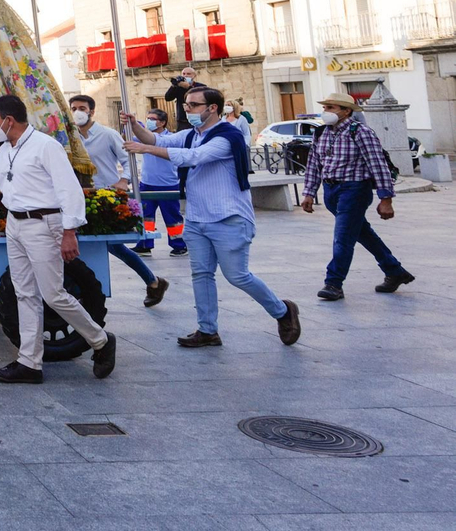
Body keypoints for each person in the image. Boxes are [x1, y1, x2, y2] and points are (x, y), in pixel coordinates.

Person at [0, 94, 117, 383]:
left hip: (44, 223)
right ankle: (30, 363)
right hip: (16, 224)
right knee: (25, 293)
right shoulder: (6, 149)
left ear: (8, 120)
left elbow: (69, 190)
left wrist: (69, 232)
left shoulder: (46, 147)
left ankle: (100, 340)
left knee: (53, 293)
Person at [123, 85, 301, 349]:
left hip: (228, 217)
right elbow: (156, 140)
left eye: (193, 105)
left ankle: (283, 311)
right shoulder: (190, 134)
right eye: (186, 105)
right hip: (196, 218)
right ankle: (207, 330)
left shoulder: (228, 136)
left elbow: (195, 157)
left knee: (237, 275)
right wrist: (134, 125)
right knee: (201, 273)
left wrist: (144, 149)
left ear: (212, 108)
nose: (188, 109)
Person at [301, 92, 412, 300]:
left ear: (346, 111)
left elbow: (377, 165)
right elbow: (314, 165)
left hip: (354, 190)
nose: (326, 112)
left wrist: (385, 198)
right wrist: (309, 192)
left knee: (343, 237)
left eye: (331, 108)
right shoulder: (321, 133)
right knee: (361, 232)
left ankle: (333, 282)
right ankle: (394, 271)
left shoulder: (360, 132)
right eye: (325, 107)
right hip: (331, 191)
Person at [69, 94, 167, 308]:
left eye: (82, 108)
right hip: (77, 198)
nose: (77, 111)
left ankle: (152, 281)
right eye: (74, 107)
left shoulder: (108, 135)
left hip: (106, 197)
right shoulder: (69, 137)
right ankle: (82, 290)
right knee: (79, 245)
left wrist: (124, 181)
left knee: (115, 246)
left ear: (91, 111)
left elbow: (130, 160)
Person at [130, 108, 187, 257]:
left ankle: (179, 245)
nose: (149, 121)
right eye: (148, 118)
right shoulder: (143, 137)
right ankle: (144, 244)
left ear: (162, 122)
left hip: (168, 184)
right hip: (147, 183)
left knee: (172, 217)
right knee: (145, 217)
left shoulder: (172, 138)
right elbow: (127, 139)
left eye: (153, 119)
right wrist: (132, 126)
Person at [163, 66, 197, 130]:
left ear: (194, 75)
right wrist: (174, 86)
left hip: (195, 119)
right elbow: (168, 98)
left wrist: (188, 87)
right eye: (184, 74)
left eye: (188, 74)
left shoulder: (200, 86)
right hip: (182, 121)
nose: (186, 76)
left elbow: (198, 96)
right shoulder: (179, 87)